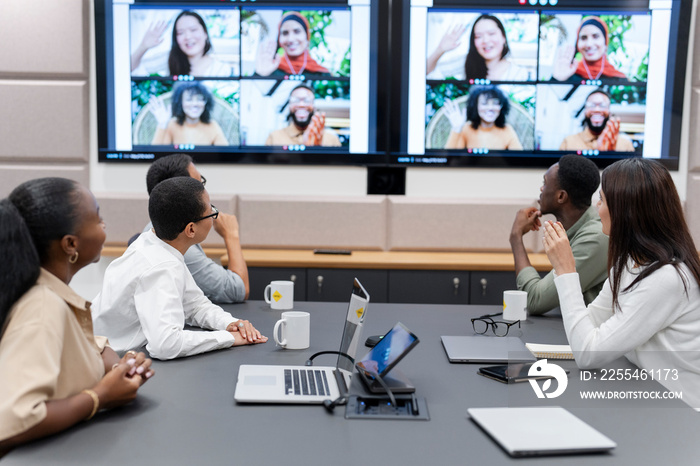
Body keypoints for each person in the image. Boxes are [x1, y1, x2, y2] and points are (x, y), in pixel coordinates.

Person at [0, 178, 153, 454]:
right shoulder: (44, 306)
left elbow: (80, 346)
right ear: (70, 244)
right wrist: (102, 396)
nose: (104, 226)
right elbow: (12, 420)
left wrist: (117, 368)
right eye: (97, 218)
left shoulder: (43, 290)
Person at [543, 158, 700, 409]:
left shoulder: (666, 279)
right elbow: (590, 322)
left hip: (683, 415)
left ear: (626, 211)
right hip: (652, 397)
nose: (596, 207)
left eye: (603, 200)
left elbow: (587, 353)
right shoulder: (630, 264)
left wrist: (566, 270)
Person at [92, 177, 267, 360]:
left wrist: (230, 323)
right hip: (104, 363)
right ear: (191, 230)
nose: (215, 214)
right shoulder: (163, 267)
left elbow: (194, 305)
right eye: (211, 212)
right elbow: (166, 345)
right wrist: (228, 338)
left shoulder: (153, 243)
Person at [509, 155, 608, 315]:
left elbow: (533, 300)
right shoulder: (579, 230)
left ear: (561, 196)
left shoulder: (595, 238)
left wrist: (516, 237)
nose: (541, 189)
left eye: (545, 183)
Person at [145, 153, 249, 303]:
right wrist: (231, 235)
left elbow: (196, 305)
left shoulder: (162, 230)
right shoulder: (173, 242)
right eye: (199, 185)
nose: (205, 193)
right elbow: (237, 290)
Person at [427, 15, 530, 81]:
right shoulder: (466, 62)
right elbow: (425, 72)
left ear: (504, 38)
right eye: (478, 36)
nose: (485, 40)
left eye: (491, 34)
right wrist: (440, 50)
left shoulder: (519, 73)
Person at [131, 10, 233, 77]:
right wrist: (143, 46)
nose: (188, 37)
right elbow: (129, 69)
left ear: (205, 33)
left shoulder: (222, 69)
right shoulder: (169, 59)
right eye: (181, 33)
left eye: (193, 30)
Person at [443, 85, 523, 150]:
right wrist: (456, 129)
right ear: (475, 106)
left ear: (502, 106)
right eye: (484, 103)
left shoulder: (507, 130)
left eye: (495, 103)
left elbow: (519, 160)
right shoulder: (466, 129)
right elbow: (449, 159)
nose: (490, 108)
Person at [151, 81, 229, 146]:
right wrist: (162, 125)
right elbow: (157, 155)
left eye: (199, 99)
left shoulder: (212, 126)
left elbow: (226, 155)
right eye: (189, 99)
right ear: (180, 103)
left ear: (206, 102)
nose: (195, 104)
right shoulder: (172, 124)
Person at [552, 16, 627, 82]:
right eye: (583, 38)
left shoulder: (619, 79)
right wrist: (558, 79)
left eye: (595, 36)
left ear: (605, 42)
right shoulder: (569, 73)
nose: (589, 44)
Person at [255, 12, 331, 77]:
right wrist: (260, 74)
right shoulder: (271, 69)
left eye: (297, 31)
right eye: (285, 33)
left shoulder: (322, 74)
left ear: (307, 36)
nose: (290, 39)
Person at [265, 84, 341, 147]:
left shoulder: (332, 140)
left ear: (314, 106)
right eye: (296, 100)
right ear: (289, 106)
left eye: (307, 100)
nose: (301, 105)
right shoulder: (274, 138)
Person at [559, 90, 634, 152]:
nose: (597, 109)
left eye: (602, 105)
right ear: (585, 111)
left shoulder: (625, 145)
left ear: (609, 112)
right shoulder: (568, 142)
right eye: (591, 105)